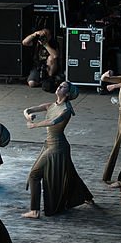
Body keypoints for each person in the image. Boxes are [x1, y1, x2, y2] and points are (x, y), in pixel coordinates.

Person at [22, 81, 93, 218]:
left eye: (63, 87)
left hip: (57, 147)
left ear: (67, 94)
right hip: (50, 145)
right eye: (60, 85)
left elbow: (53, 121)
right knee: (70, 173)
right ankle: (86, 197)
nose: (59, 87)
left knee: (34, 175)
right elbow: (27, 110)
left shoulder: (66, 110)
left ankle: (34, 210)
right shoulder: (51, 105)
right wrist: (29, 116)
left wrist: (34, 125)